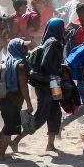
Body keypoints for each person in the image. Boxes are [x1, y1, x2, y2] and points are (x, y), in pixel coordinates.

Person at [0, 39, 34, 160]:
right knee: (10, 128)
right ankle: (1, 156)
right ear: (17, 49)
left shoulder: (7, 60)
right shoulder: (20, 64)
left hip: (3, 98)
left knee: (11, 124)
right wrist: (29, 104)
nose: (26, 49)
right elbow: (23, 86)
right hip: (12, 99)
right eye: (23, 47)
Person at [28, 18, 66, 152]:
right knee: (42, 114)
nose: (64, 29)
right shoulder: (53, 42)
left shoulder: (52, 41)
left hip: (53, 82)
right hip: (47, 83)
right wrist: (59, 72)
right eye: (62, 27)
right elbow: (45, 64)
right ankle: (16, 140)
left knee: (55, 111)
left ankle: (50, 145)